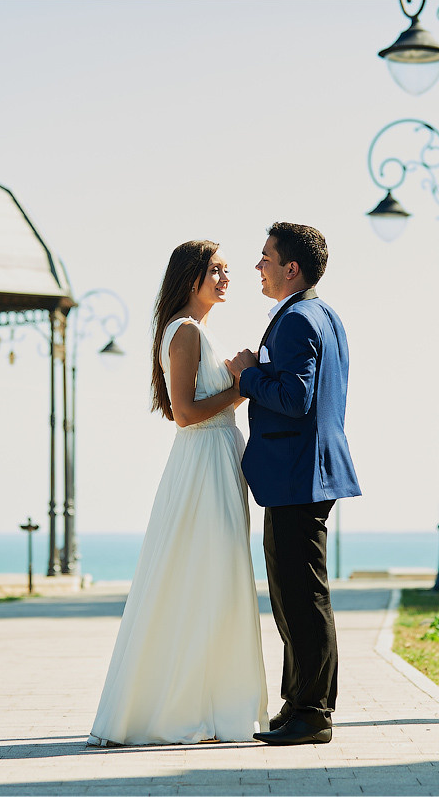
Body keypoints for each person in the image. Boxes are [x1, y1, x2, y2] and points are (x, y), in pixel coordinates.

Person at [88, 240, 268, 747]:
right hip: (202, 467)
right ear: (191, 277)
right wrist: (243, 382)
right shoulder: (186, 333)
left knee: (214, 579)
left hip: (217, 462)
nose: (226, 278)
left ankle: (210, 706)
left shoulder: (198, 332)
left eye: (228, 270)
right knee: (204, 578)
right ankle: (188, 711)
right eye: (216, 270)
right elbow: (185, 412)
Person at [226, 222, 361, 746]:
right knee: (296, 594)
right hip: (305, 473)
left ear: (291, 268)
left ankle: (312, 713)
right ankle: (298, 703)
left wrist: (247, 373)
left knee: (300, 597)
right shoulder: (322, 315)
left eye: (265, 258)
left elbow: (296, 398)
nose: (258, 266)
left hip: (298, 476)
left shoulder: (297, 320)